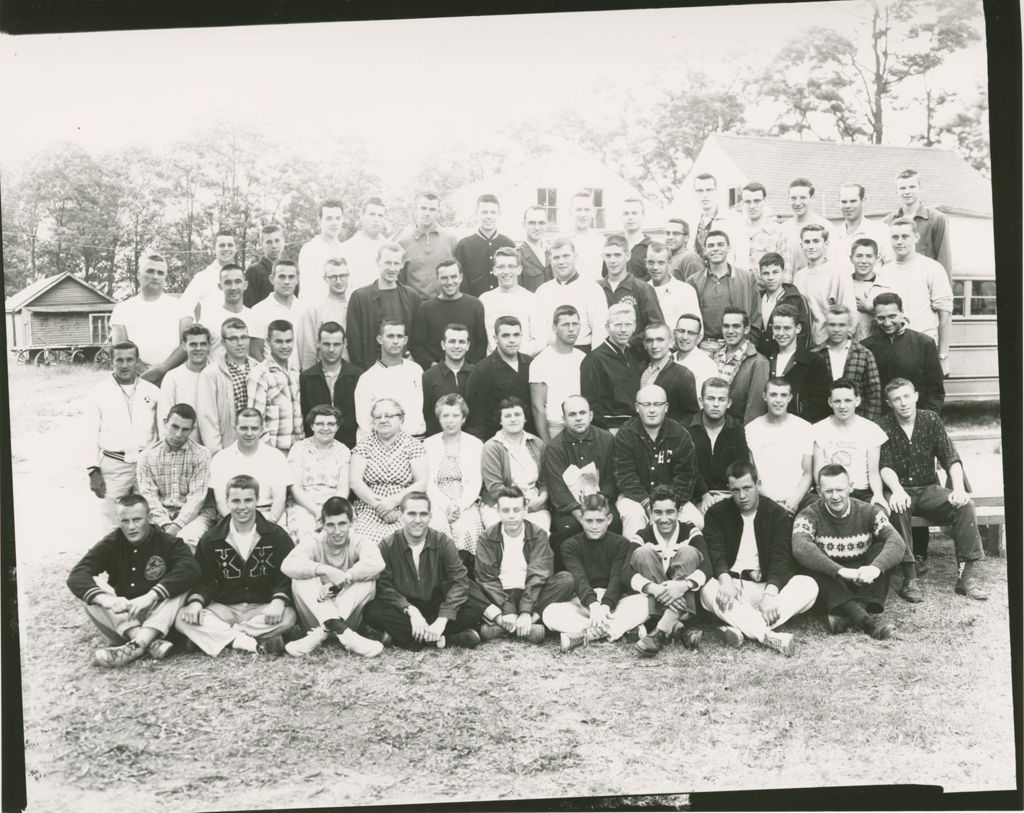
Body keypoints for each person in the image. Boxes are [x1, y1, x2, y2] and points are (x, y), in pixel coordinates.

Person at [810, 378, 923, 603]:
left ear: (858, 401)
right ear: (829, 402)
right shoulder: (818, 429)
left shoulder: (870, 429)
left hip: (861, 492)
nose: (843, 405)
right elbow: (818, 473)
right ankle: (837, 582)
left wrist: (879, 496)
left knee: (883, 528)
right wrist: (828, 495)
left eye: (848, 400)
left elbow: (874, 471)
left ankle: (875, 587)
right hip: (830, 492)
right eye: (837, 401)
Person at [879, 379, 987, 600]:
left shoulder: (930, 419)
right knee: (897, 508)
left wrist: (958, 489)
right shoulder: (883, 425)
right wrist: (897, 490)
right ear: (889, 403)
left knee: (965, 505)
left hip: (928, 489)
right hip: (900, 488)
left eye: (907, 396)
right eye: (897, 399)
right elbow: (885, 465)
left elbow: (951, 458)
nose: (903, 403)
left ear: (916, 396)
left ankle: (966, 578)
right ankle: (910, 579)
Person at [67, 494, 201, 667]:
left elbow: (191, 569)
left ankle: (137, 645)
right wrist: (107, 600)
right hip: (124, 620)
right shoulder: (112, 543)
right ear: (118, 521)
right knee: (91, 589)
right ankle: (144, 641)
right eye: (125, 521)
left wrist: (151, 596)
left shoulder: (168, 542)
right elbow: (77, 576)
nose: (131, 527)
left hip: (160, 618)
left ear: (149, 518)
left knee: (182, 585)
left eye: (137, 520)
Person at [700, 462, 818, 655]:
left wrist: (770, 594)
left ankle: (741, 626)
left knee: (808, 584)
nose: (742, 496)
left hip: (765, 586)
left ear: (758, 484)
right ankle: (767, 636)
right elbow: (714, 551)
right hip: (732, 587)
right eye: (735, 490)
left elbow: (782, 558)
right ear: (729, 489)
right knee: (707, 589)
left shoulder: (776, 514)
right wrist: (725, 580)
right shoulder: (717, 513)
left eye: (747, 488)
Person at [174, 474, 297, 657]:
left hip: (262, 607)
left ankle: (220, 638)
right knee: (182, 618)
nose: (242, 507)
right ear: (227, 502)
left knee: (289, 616)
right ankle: (249, 640)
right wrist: (196, 603)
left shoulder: (276, 535)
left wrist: (278, 601)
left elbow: (287, 574)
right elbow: (204, 580)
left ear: (257, 500)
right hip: (225, 608)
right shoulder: (211, 539)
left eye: (248, 500)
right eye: (236, 501)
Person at [792, 464, 905, 639]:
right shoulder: (809, 514)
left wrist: (874, 568)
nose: (835, 496)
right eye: (829, 491)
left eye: (840, 490)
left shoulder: (868, 510)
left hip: (863, 578)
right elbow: (800, 546)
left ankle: (848, 613)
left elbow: (897, 541)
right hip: (833, 580)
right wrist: (841, 571)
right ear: (819, 491)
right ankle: (868, 623)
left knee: (882, 549)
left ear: (851, 487)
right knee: (811, 561)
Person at [363, 492, 484, 650]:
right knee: (372, 611)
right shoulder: (387, 546)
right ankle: (447, 639)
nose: (418, 520)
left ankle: (406, 638)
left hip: (436, 606)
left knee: (474, 607)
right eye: (412, 514)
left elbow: (459, 581)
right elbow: (383, 586)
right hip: (405, 609)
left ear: (430, 516)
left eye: (423, 514)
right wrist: (411, 611)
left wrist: (443, 619)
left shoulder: (443, 542)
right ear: (401, 515)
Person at [541, 494, 650, 653]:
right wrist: (593, 605)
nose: (594, 526)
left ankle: (583, 635)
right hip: (583, 601)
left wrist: (605, 606)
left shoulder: (621, 543)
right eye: (589, 521)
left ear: (609, 519)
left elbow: (617, 579)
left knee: (646, 602)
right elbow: (579, 578)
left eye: (599, 521)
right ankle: (622, 630)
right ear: (580, 518)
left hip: (614, 602)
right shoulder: (570, 545)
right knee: (550, 613)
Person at [280, 496, 385, 658]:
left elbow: (378, 563)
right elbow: (287, 565)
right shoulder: (314, 542)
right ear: (322, 524)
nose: (337, 531)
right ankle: (336, 627)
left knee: (368, 576)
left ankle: (332, 626)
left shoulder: (359, 541)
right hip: (315, 618)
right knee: (300, 575)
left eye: (342, 524)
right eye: (330, 525)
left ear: (351, 522)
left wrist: (343, 579)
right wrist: (323, 570)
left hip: (349, 618)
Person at [475, 486, 577, 643]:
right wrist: (507, 608)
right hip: (498, 595)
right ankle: (521, 626)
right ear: (498, 511)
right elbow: (487, 579)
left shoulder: (538, 535)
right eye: (506, 510)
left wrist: (525, 611)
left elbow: (539, 575)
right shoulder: (487, 538)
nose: (511, 516)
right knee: (467, 584)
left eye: (516, 510)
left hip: (530, 594)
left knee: (566, 580)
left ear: (525, 510)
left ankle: (514, 623)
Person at [626, 485, 709, 656]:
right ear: (651, 513)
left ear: (678, 512)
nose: (664, 519)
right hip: (655, 600)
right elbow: (625, 572)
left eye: (670, 512)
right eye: (658, 512)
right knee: (642, 553)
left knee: (689, 552)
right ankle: (679, 629)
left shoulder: (689, 530)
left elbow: (708, 566)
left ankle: (661, 631)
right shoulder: (642, 534)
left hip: (686, 601)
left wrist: (683, 586)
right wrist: (654, 589)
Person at [85, 341, 161, 528]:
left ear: (137, 361)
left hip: (146, 464)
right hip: (114, 465)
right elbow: (89, 434)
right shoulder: (98, 393)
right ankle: (112, 557)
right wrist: (93, 470)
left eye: (129, 359)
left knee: (150, 517)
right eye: (119, 360)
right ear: (112, 362)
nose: (125, 365)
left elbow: (162, 431)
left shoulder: (152, 391)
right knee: (112, 520)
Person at [614, 384, 701, 537]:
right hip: (634, 498)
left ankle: (678, 560)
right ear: (636, 407)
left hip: (673, 498)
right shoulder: (625, 434)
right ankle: (636, 559)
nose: (652, 410)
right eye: (646, 404)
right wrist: (648, 505)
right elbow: (625, 477)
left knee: (695, 519)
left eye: (658, 404)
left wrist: (666, 507)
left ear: (666, 407)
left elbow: (686, 478)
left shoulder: (680, 435)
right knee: (633, 516)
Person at [542, 395, 620, 563]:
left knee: (612, 523)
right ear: (563, 419)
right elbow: (558, 490)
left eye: (582, 413)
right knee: (567, 528)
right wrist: (582, 516)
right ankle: (569, 579)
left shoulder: (607, 440)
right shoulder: (554, 448)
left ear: (590, 415)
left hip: (602, 502)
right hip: (569, 508)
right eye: (572, 414)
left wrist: (597, 509)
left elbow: (611, 479)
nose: (578, 418)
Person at [349, 398, 429, 546]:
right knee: (367, 542)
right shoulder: (364, 446)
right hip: (369, 505)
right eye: (378, 417)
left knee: (406, 542)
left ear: (401, 419)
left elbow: (421, 484)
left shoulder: (414, 446)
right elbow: (355, 482)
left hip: (405, 504)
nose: (383, 420)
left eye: (389, 416)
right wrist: (381, 507)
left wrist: (392, 502)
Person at [136, 404, 217, 550]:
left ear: (192, 430)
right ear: (165, 422)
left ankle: (187, 573)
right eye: (174, 426)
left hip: (195, 516)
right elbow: (149, 496)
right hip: (159, 516)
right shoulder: (146, 456)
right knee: (140, 542)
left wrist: (176, 526)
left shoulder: (202, 454)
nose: (179, 434)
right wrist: (165, 523)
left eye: (185, 429)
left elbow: (197, 498)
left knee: (186, 541)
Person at [884, 217, 954, 377]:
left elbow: (945, 316)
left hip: (923, 347)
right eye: (895, 237)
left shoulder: (932, 268)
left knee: (922, 399)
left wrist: (943, 357)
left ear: (916, 237)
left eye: (905, 236)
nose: (899, 242)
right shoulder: (884, 271)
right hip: (891, 349)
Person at [109, 253, 190, 384]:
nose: (155, 276)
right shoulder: (122, 309)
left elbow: (187, 344)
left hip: (175, 379)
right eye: (150, 271)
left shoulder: (181, 306)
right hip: (137, 380)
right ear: (138, 275)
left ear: (165, 277)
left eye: (160, 273)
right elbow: (120, 349)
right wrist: (146, 375)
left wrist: (162, 370)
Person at [423, 393, 485, 556]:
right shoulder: (428, 444)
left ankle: (465, 574)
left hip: (465, 501)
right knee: (437, 526)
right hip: (436, 501)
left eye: (455, 415)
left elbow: (475, 483)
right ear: (439, 418)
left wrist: (458, 506)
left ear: (463, 419)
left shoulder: (475, 444)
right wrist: (446, 506)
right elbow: (428, 483)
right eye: (446, 415)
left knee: (466, 528)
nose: (450, 420)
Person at [862, 293, 945, 413]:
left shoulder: (924, 343)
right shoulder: (865, 347)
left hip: (917, 417)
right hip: (880, 420)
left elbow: (935, 390)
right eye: (881, 318)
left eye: (892, 316)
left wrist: (928, 418)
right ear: (874, 316)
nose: (887, 323)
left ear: (902, 313)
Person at [345, 242, 421, 371]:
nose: (392, 268)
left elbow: (417, 337)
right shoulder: (360, 297)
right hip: (371, 369)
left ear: (402, 264)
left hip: (404, 369)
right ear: (377, 262)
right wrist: (363, 372)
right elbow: (354, 342)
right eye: (387, 262)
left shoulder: (411, 296)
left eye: (396, 263)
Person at [744, 378, 815, 515]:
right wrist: (772, 504)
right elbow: (752, 475)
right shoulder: (751, 430)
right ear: (765, 396)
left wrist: (795, 500)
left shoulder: (804, 428)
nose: (778, 400)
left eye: (783, 395)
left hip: (799, 501)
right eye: (773, 394)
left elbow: (808, 473)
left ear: (790, 398)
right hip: (764, 502)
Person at [209, 409, 292, 523]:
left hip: (268, 516)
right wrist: (239, 525)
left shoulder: (276, 457)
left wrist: (268, 525)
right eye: (243, 428)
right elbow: (221, 502)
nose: (249, 433)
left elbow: (279, 500)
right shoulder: (221, 458)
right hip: (232, 518)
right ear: (235, 429)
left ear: (261, 430)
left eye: (254, 428)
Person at [481, 397, 550, 532]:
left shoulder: (537, 443)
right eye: (507, 416)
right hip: (501, 507)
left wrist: (542, 499)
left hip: (535, 506)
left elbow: (544, 481)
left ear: (525, 418)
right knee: (506, 537)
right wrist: (521, 504)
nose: (513, 419)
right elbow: (495, 488)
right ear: (500, 421)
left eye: (518, 414)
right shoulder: (491, 447)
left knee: (538, 536)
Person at [686, 230, 760, 354]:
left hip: (737, 345)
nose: (715, 249)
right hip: (705, 346)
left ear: (729, 248)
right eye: (711, 245)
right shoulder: (693, 281)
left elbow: (755, 316)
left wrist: (748, 344)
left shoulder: (747, 278)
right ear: (705, 250)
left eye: (720, 244)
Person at [285, 405, 351, 544]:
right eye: (320, 424)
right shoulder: (298, 449)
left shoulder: (343, 450)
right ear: (312, 426)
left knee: (345, 534)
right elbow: (295, 488)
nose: (325, 428)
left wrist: (331, 510)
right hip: (304, 504)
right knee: (306, 535)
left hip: (335, 502)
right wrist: (317, 512)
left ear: (337, 426)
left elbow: (343, 488)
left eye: (331, 424)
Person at [686, 377, 751, 516]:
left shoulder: (737, 430)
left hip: (727, 494)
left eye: (721, 399)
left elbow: (741, 467)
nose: (716, 404)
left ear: (729, 403)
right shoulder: (686, 428)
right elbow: (685, 467)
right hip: (693, 496)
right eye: (710, 398)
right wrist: (703, 494)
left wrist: (729, 497)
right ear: (701, 401)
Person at [465, 315, 535, 440]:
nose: (512, 340)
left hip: (529, 439)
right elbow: (475, 421)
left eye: (516, 335)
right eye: (506, 335)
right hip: (497, 442)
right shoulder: (481, 370)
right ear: (495, 338)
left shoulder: (531, 364)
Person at [353, 318, 425, 439]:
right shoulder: (367, 378)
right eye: (390, 336)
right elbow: (364, 425)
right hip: (385, 445)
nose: (396, 341)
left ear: (405, 340)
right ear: (380, 339)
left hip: (418, 440)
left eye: (399, 336)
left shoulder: (416, 370)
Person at [409, 258, 488, 368]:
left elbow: (482, 342)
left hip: (469, 373)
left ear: (461, 277)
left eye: (453, 277)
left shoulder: (475, 305)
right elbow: (417, 345)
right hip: (436, 374)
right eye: (444, 278)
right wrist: (433, 366)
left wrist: (471, 367)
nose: (450, 282)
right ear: (437, 280)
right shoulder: (425, 308)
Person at [196, 317, 258, 455]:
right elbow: (207, 418)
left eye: (244, 337)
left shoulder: (259, 369)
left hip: (255, 446)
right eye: (233, 339)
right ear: (223, 342)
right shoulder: (211, 373)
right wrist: (217, 452)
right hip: (228, 447)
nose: (240, 343)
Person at [534, 237, 609, 352]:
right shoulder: (543, 291)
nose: (561, 262)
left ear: (575, 257)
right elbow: (538, 331)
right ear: (550, 260)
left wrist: (594, 362)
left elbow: (600, 332)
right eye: (556, 257)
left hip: (583, 352)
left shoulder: (592, 289)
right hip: (550, 354)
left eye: (566, 256)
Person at [580, 303, 647, 431]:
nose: (623, 330)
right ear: (607, 327)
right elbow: (591, 404)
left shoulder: (634, 355)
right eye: (617, 325)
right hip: (611, 428)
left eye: (628, 325)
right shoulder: (594, 359)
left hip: (637, 426)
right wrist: (606, 431)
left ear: (635, 327)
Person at [792, 223, 857, 349]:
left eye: (816, 241)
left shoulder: (838, 274)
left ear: (826, 244)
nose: (811, 246)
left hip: (831, 346)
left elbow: (850, 315)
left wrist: (838, 345)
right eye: (807, 242)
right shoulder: (799, 276)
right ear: (801, 245)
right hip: (805, 346)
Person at [299, 321, 362, 450]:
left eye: (336, 344)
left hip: (351, 446)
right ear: (318, 344)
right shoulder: (307, 377)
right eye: (327, 344)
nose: (331, 349)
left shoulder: (357, 376)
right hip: (316, 448)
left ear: (344, 344)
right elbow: (305, 416)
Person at [762, 304, 830, 423]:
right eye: (777, 328)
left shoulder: (813, 361)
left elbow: (821, 402)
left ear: (797, 329)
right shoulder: (765, 355)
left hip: (799, 426)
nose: (781, 333)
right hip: (767, 423)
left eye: (787, 328)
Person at [814, 305, 882, 422]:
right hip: (823, 422)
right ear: (825, 326)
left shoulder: (864, 354)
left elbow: (873, 396)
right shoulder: (815, 355)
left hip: (856, 423)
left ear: (849, 326)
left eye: (841, 325)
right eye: (832, 325)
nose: (836, 329)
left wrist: (867, 425)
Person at [529, 306, 586, 441]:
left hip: (581, 425)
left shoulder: (583, 357)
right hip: (556, 427)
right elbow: (538, 407)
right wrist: (547, 444)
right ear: (554, 328)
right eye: (566, 324)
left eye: (575, 324)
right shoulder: (541, 361)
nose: (571, 329)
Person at [884, 169, 952, 279]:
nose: (907, 192)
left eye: (912, 187)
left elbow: (944, 259)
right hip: (896, 282)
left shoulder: (937, 219)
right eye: (902, 188)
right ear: (896, 191)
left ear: (920, 188)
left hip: (926, 282)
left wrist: (944, 292)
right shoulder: (887, 222)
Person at [247, 319, 303, 453]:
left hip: (297, 450)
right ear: (268, 342)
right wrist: (270, 452)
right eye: (279, 341)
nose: (284, 346)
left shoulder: (295, 372)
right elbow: (255, 420)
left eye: (288, 341)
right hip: (272, 450)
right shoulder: (259, 374)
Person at [395, 192, 460, 298]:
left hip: (445, 305)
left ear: (438, 212)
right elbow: (399, 281)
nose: (427, 213)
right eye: (423, 208)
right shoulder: (403, 242)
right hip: (414, 307)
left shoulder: (451, 239)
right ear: (416, 209)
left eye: (432, 209)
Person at [479, 247, 542, 355]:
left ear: (519, 269)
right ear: (494, 270)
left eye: (511, 266)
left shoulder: (532, 299)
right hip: (493, 365)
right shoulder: (485, 300)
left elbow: (540, 340)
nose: (506, 271)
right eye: (501, 267)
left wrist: (515, 357)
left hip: (523, 364)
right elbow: (481, 339)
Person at [712, 307, 769, 423]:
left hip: (737, 432)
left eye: (736, 326)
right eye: (726, 326)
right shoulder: (715, 356)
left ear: (746, 329)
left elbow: (755, 409)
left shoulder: (759, 362)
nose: (730, 331)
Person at [597, 234, 663, 332]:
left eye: (617, 255)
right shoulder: (596, 288)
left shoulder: (642, 289)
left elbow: (657, 327)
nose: (612, 261)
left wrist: (632, 341)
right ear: (603, 257)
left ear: (628, 256)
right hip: (602, 346)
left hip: (633, 347)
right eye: (608, 255)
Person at [248, 259, 308, 367]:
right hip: (272, 380)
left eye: (291, 277)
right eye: (281, 277)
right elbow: (255, 351)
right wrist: (271, 375)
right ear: (272, 279)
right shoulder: (258, 310)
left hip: (301, 377)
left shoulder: (305, 309)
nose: (286, 281)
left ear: (297, 280)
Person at [455, 194, 516, 297]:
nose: (489, 216)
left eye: (493, 212)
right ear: (476, 214)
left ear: (499, 214)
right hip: (473, 304)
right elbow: (459, 280)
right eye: (484, 212)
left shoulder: (509, 244)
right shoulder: (463, 246)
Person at [158, 324, 211, 442]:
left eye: (203, 344)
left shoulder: (217, 374)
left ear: (209, 346)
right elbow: (164, 416)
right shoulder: (173, 377)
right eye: (193, 344)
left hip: (213, 447)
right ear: (184, 346)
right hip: (182, 447)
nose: (198, 348)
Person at [297, 257, 351, 371]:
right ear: (325, 279)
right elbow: (309, 349)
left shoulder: (354, 305)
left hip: (350, 375)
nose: (339, 281)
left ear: (348, 276)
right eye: (333, 277)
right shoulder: (315, 309)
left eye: (342, 276)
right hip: (323, 375)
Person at [640, 322, 699, 425]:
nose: (654, 346)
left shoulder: (683, 374)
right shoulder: (640, 371)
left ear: (671, 341)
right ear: (644, 344)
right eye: (650, 341)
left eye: (660, 340)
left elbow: (691, 415)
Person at [421, 323, 475, 437]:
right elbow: (426, 415)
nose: (457, 346)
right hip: (439, 442)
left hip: (471, 443)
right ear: (443, 345)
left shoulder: (477, 373)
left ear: (468, 345)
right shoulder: (428, 376)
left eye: (461, 342)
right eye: (452, 341)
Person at [196, 264, 255, 363]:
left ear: (245, 285)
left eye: (238, 282)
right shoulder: (208, 319)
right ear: (220, 286)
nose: (233, 287)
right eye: (228, 283)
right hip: (216, 377)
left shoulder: (254, 317)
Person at [753, 252, 811, 355]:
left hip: (786, 361)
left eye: (775, 272)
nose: (770, 277)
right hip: (760, 361)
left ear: (783, 272)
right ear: (761, 275)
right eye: (766, 273)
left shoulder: (797, 299)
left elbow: (804, 336)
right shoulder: (757, 298)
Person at [779, 177, 832, 279]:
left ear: (812, 198)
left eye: (803, 198)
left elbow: (834, 263)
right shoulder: (782, 230)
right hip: (788, 289)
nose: (797, 203)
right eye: (793, 198)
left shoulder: (825, 227)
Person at [645, 241, 700, 337]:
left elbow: (697, 330)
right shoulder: (641, 291)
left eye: (661, 263)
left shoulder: (686, 291)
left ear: (670, 263)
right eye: (651, 262)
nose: (655, 267)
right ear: (646, 263)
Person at [830, 183, 894, 267]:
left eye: (853, 201)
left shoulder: (881, 231)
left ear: (863, 201)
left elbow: (891, 265)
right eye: (844, 202)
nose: (848, 206)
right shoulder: (833, 235)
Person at [180, 230, 238, 320]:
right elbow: (185, 307)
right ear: (214, 249)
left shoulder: (242, 276)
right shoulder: (203, 277)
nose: (226, 248)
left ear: (235, 248)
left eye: (230, 245)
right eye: (222, 245)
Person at [691, 173, 745, 266]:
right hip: (697, 278)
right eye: (700, 191)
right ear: (694, 194)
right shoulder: (691, 222)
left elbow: (742, 257)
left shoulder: (735, 219)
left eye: (709, 190)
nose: (704, 195)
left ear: (716, 192)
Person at [298, 199, 346, 301]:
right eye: (329, 218)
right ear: (320, 220)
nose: (334, 223)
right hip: (319, 312)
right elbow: (307, 291)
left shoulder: (346, 249)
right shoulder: (310, 249)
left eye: (338, 218)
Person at [848, 238, 894, 342]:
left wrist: (873, 308)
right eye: (859, 256)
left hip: (880, 348)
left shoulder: (886, 287)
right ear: (851, 258)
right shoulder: (843, 286)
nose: (863, 261)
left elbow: (900, 321)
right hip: (851, 349)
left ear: (877, 259)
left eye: (869, 256)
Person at [339, 197, 389, 292]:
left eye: (380, 215)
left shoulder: (389, 248)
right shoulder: (347, 248)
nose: (376, 219)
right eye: (372, 214)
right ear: (362, 216)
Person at [740, 181, 783, 273]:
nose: (752, 206)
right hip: (740, 286)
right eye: (748, 202)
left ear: (764, 201)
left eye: (757, 201)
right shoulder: (737, 230)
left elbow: (786, 269)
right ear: (742, 203)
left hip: (766, 287)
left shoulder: (778, 232)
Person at [672, 313, 717, 397]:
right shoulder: (668, 359)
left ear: (699, 338)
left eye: (691, 333)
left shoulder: (707, 365)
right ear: (674, 333)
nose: (684, 337)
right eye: (681, 331)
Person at [609, 197, 654, 281]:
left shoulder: (652, 248)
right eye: (626, 213)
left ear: (643, 216)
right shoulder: (611, 246)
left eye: (634, 213)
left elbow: (655, 280)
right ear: (620, 217)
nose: (630, 217)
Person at [566, 190, 605, 282]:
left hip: (595, 293)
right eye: (578, 209)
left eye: (587, 209)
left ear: (594, 212)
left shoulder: (601, 240)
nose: (582, 214)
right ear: (570, 211)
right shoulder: (562, 240)